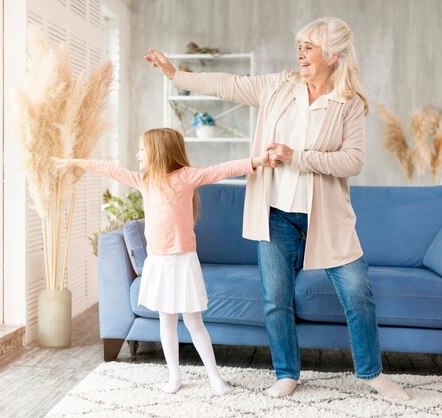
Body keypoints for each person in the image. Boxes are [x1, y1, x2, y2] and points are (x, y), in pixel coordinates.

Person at [145, 17, 410, 400]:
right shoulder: (278, 86)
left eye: (309, 47)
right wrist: (176, 75)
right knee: (275, 299)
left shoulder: (348, 104)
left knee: (357, 292)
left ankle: (371, 373)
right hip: (274, 211)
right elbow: (229, 85)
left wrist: (296, 156)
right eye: (299, 45)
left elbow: (353, 160)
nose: (300, 53)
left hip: (327, 217)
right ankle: (287, 373)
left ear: (332, 55)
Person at [53, 128, 270, 394]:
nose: (137, 154)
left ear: (158, 151)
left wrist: (259, 160)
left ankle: (215, 378)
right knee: (166, 321)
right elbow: (108, 169)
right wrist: (76, 163)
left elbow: (222, 169)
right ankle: (174, 376)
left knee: (194, 322)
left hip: (183, 262)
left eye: (142, 149)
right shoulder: (144, 181)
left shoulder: (187, 177)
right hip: (159, 263)